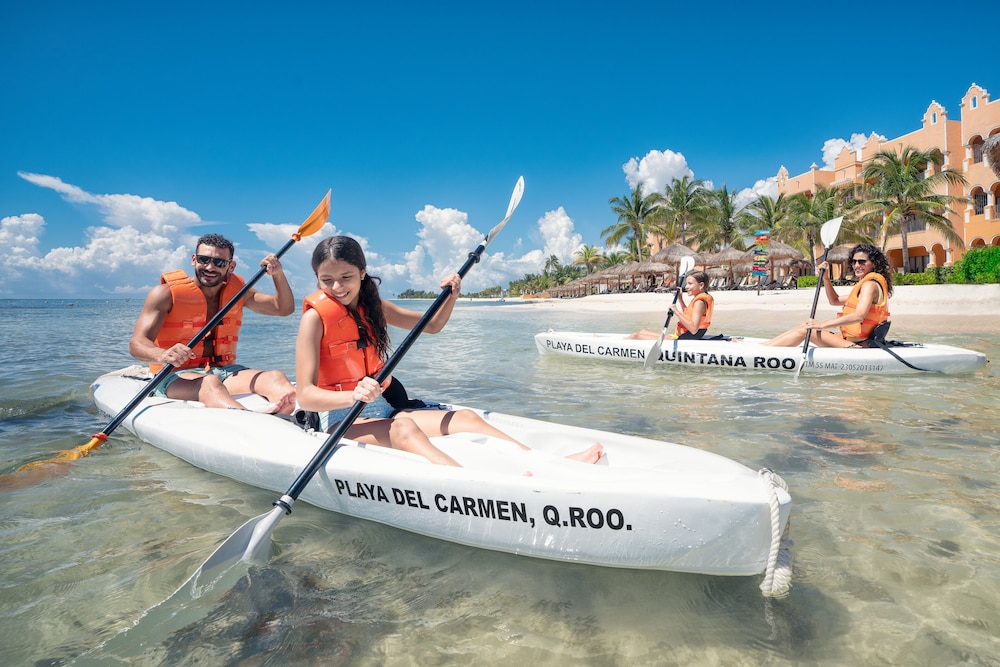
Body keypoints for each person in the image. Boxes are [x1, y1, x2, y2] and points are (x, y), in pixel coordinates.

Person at [294, 235, 604, 467]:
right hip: (339, 421)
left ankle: (546, 464)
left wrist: (451, 295)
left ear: (362, 273)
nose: (337, 288)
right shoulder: (314, 319)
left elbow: (431, 325)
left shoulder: (373, 307)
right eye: (327, 280)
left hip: (381, 410)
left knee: (466, 417)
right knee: (404, 427)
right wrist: (353, 396)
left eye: (346, 277)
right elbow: (306, 395)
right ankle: (472, 482)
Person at [129, 233, 297, 414]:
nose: (210, 267)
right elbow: (136, 344)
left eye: (219, 263)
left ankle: (298, 420)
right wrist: (162, 354)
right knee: (210, 383)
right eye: (204, 259)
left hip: (223, 372)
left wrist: (278, 275)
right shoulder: (164, 294)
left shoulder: (238, 293)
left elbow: (283, 308)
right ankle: (253, 424)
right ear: (194, 259)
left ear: (230, 266)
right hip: (174, 376)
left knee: (275, 377)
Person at [763, 243, 893, 348]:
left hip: (858, 346)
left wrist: (822, 325)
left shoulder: (869, 285)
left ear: (874, 263)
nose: (857, 265)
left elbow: (859, 316)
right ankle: (765, 346)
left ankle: (762, 350)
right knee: (806, 326)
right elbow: (835, 301)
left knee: (807, 329)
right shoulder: (868, 284)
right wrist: (826, 278)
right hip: (853, 342)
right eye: (854, 262)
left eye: (862, 262)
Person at [627, 271, 714, 340]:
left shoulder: (700, 302)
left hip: (685, 337)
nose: (686, 287)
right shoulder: (701, 298)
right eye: (686, 283)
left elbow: (694, 329)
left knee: (635, 336)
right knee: (643, 331)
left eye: (690, 284)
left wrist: (676, 312)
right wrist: (680, 299)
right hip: (685, 334)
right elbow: (688, 315)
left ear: (701, 285)